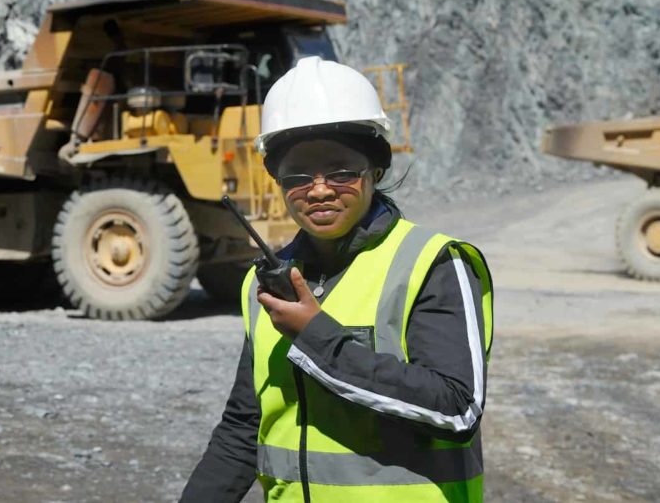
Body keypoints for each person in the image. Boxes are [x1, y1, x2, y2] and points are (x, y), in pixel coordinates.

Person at [180, 56, 493, 502]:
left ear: (376, 170)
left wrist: (317, 337)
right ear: (278, 180)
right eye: (298, 176)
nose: (321, 189)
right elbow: (243, 428)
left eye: (342, 172)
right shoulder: (265, 284)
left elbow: (457, 409)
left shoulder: (431, 264)